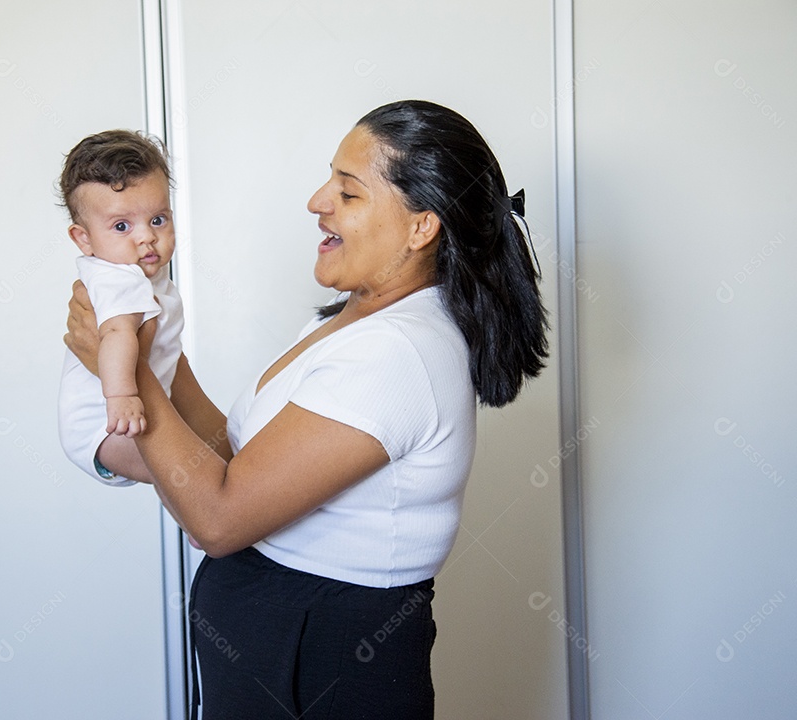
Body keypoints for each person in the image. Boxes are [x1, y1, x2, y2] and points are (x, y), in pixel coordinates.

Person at [65, 100, 548, 719]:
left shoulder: (396, 352)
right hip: (276, 651)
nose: (318, 200)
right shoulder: (351, 323)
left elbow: (218, 516)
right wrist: (152, 346)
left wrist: (129, 376)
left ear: (420, 227)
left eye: (348, 193)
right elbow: (231, 457)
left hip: (322, 662)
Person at [57, 129, 184, 487]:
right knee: (190, 477)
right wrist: (122, 396)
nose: (146, 237)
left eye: (158, 219)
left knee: (193, 471)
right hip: (103, 424)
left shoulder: (140, 274)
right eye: (122, 226)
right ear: (84, 238)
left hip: (120, 418)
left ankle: (196, 515)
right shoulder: (118, 278)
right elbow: (115, 333)